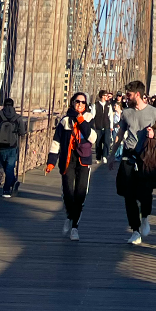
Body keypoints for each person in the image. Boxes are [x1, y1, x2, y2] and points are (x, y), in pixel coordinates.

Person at [110, 80, 156, 245]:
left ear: (137, 94)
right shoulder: (126, 113)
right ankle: (135, 230)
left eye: (128, 95)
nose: (126, 98)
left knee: (145, 194)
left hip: (147, 157)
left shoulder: (154, 112)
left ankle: (145, 217)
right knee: (129, 195)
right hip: (129, 156)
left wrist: (153, 135)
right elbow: (120, 134)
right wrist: (113, 154)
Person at [45, 92, 96, 241]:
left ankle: (75, 227)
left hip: (83, 160)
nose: (80, 104)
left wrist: (81, 121)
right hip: (67, 159)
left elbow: (92, 137)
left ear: (86, 105)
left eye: (83, 103)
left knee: (80, 193)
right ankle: (69, 215)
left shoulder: (89, 118)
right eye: (77, 101)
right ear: (72, 103)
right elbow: (56, 142)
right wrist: (51, 161)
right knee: (68, 192)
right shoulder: (65, 121)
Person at [0, 98, 27, 197]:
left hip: (0, 146)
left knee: (6, 167)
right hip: (13, 146)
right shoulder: (18, 118)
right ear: (13, 105)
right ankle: (8, 188)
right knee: (9, 168)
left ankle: (8, 187)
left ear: (3, 105)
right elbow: (22, 132)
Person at [90, 89, 112, 164]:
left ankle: (105, 156)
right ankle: (98, 157)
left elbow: (110, 116)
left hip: (106, 126)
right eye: (106, 95)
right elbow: (92, 116)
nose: (107, 97)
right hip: (98, 126)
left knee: (106, 141)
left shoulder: (108, 105)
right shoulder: (95, 105)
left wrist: (111, 126)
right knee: (98, 142)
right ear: (102, 96)